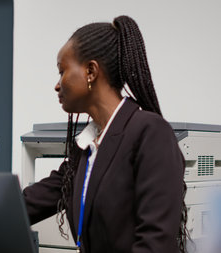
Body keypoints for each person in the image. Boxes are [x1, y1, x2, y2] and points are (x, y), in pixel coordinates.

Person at [23, 16, 188, 253]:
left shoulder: (150, 132)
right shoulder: (86, 147)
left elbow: (156, 243)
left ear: (91, 71)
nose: (57, 85)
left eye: (62, 71)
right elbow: (32, 202)